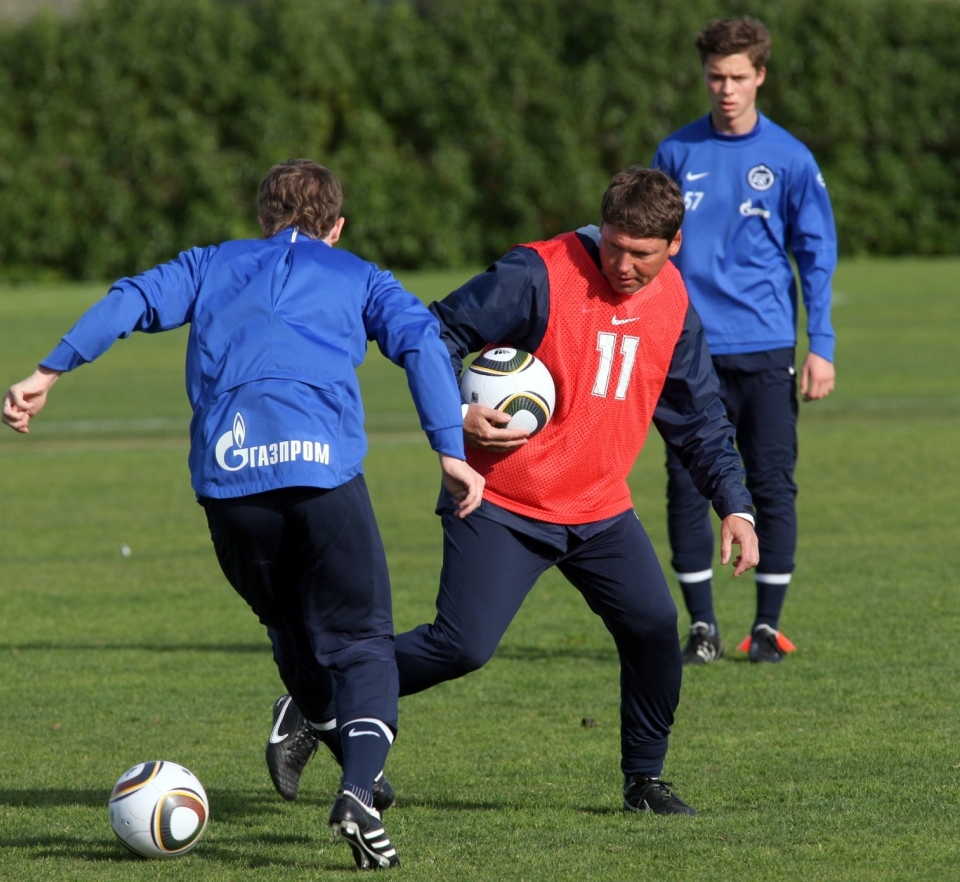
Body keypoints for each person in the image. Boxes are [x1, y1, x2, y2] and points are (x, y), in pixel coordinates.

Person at [1, 159, 484, 871]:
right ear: (337, 226)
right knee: (360, 642)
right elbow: (418, 343)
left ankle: (318, 730)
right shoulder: (360, 276)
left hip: (230, 490)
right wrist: (449, 447)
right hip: (321, 480)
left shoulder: (209, 264)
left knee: (286, 624)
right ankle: (358, 788)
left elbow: (131, 298)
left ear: (263, 218)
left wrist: (48, 370)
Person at [277, 167, 760, 815]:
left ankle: (643, 782)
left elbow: (698, 417)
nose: (621, 263)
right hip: (501, 501)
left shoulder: (673, 302)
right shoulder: (537, 273)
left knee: (651, 627)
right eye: (612, 245)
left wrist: (733, 503)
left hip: (598, 508)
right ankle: (317, 698)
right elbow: (430, 332)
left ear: (673, 245)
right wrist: (457, 411)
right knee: (462, 646)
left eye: (640, 254)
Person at [653, 17, 838, 665]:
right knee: (684, 485)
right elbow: (652, 252)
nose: (725, 89)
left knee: (770, 483)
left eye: (737, 77)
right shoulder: (674, 154)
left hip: (763, 348)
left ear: (759, 75)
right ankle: (700, 628)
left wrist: (822, 343)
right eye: (714, 77)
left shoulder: (789, 158)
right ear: (702, 76)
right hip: (687, 350)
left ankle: (765, 628)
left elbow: (814, 253)